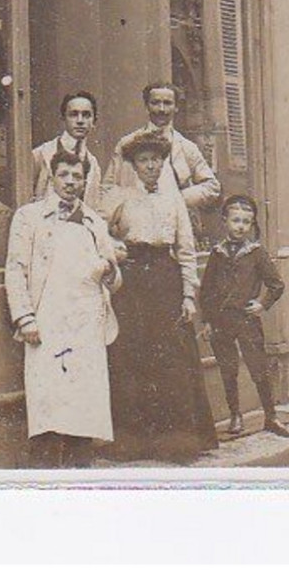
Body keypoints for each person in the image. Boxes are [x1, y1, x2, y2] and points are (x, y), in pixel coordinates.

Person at [104, 130, 218, 462]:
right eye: (143, 160)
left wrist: (187, 296)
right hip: (132, 283)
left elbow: (185, 251)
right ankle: (132, 440)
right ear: (133, 165)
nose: (151, 166)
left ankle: (177, 441)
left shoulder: (174, 200)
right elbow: (97, 232)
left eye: (156, 159)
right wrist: (115, 249)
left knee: (173, 359)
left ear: (163, 162)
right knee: (131, 358)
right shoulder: (118, 197)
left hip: (166, 281)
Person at [5, 149, 122, 468]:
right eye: (64, 175)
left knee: (83, 402)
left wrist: (110, 272)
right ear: (52, 177)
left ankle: (79, 470)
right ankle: (45, 476)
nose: (71, 182)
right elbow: (15, 269)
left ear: (85, 180)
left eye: (77, 176)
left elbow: (113, 275)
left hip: (86, 322)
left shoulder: (93, 221)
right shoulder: (29, 217)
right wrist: (24, 317)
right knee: (48, 401)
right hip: (48, 320)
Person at [199, 195, 289, 438]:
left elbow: (276, 285)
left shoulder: (256, 253)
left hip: (247, 321)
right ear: (225, 222)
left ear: (252, 225)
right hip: (221, 321)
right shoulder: (217, 253)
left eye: (246, 222)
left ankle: (270, 416)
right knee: (228, 369)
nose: (240, 226)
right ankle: (235, 415)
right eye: (235, 220)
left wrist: (262, 304)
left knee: (258, 368)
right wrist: (207, 321)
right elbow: (206, 290)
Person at [103, 82, 221, 216]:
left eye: (168, 103)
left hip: (173, 221)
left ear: (176, 107)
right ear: (146, 107)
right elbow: (108, 187)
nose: (162, 109)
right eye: (155, 103)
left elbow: (212, 186)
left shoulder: (186, 147)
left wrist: (178, 199)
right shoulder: (126, 143)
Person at [31, 91, 103, 211]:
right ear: (63, 118)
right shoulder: (42, 154)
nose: (80, 121)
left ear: (94, 121)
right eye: (73, 114)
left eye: (86, 115)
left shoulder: (93, 164)